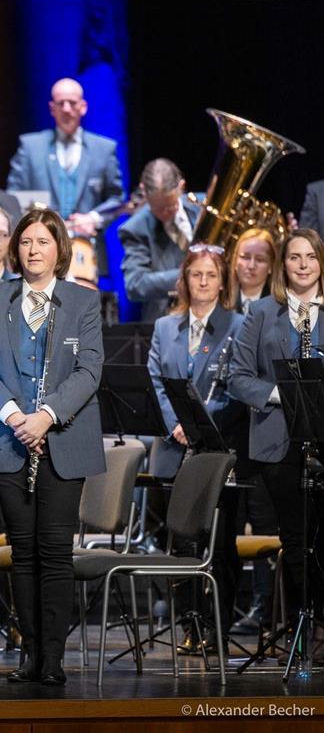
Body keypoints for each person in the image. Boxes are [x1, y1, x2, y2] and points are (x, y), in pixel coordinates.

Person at [0, 208, 106, 685]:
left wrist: (45, 418)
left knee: (54, 552)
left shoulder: (82, 302)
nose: (33, 250)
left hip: (63, 441)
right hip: (9, 441)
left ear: (59, 249)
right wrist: (14, 417)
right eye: (26, 242)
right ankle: (29, 656)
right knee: (22, 554)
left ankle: (53, 659)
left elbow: (90, 371)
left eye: (43, 242)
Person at [146, 245, 244, 644]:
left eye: (211, 275)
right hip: (174, 449)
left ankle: (217, 628)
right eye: (195, 275)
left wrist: (199, 422)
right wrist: (177, 424)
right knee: (182, 543)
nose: (203, 282)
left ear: (223, 283)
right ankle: (189, 624)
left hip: (218, 450)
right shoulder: (165, 327)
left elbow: (237, 385)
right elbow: (155, 381)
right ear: (184, 280)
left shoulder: (239, 325)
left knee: (220, 546)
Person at [228, 228, 324, 621]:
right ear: (283, 264)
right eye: (294, 257)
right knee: (296, 539)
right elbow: (238, 377)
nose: (303, 265)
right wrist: (283, 395)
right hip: (277, 443)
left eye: (311, 257)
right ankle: (304, 627)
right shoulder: (263, 311)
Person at [6, 79, 125, 275]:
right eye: (61, 103)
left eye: (72, 103)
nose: (67, 109)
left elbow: (117, 198)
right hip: (39, 249)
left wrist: (93, 218)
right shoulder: (30, 147)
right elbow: (13, 197)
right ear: (52, 108)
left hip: (86, 253)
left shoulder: (104, 149)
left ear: (83, 106)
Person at [119, 159, 202, 321]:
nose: (165, 213)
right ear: (144, 191)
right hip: (169, 320)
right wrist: (188, 275)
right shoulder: (135, 228)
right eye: (158, 208)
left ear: (181, 186)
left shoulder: (205, 206)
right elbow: (135, 284)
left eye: (171, 206)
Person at [226, 227, 276, 314]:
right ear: (235, 261)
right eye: (245, 257)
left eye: (260, 259)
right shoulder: (220, 300)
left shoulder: (281, 307)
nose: (251, 266)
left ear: (270, 267)